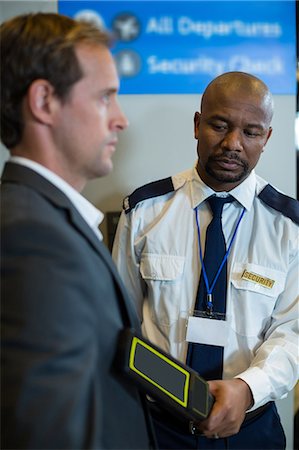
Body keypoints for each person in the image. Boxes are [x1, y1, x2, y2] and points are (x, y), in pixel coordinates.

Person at [112, 71, 299, 449]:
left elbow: (292, 333)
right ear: (198, 125)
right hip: (155, 426)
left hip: (251, 429)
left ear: (267, 138)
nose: (233, 144)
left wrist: (247, 389)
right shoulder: (146, 212)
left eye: (251, 132)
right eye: (220, 125)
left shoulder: (288, 227)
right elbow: (120, 322)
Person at [0, 12, 156, 450]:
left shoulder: (46, 220)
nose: (121, 119)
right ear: (45, 101)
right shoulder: (32, 238)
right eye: (106, 97)